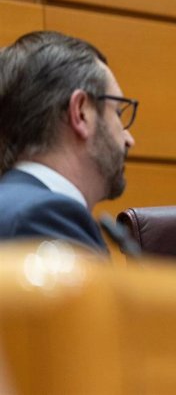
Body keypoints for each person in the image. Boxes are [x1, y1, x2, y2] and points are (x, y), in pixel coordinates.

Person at [0, 31, 137, 254]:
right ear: (81, 113)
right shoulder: (43, 217)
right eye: (118, 114)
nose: (129, 139)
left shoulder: (13, 206)